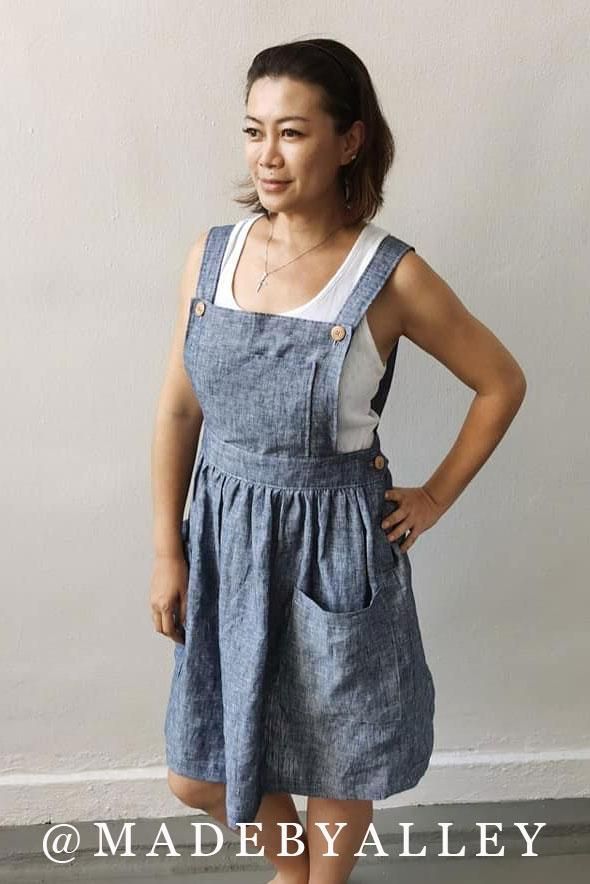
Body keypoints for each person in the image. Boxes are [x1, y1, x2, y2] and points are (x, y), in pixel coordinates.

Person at [149, 38, 526, 884]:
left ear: (349, 140)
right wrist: (168, 551)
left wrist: (432, 496)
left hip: (333, 540)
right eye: (254, 132)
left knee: (333, 753)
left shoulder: (388, 275)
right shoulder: (211, 257)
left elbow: (500, 382)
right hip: (223, 534)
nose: (267, 156)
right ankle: (296, 875)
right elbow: (179, 411)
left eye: (293, 132)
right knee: (198, 770)